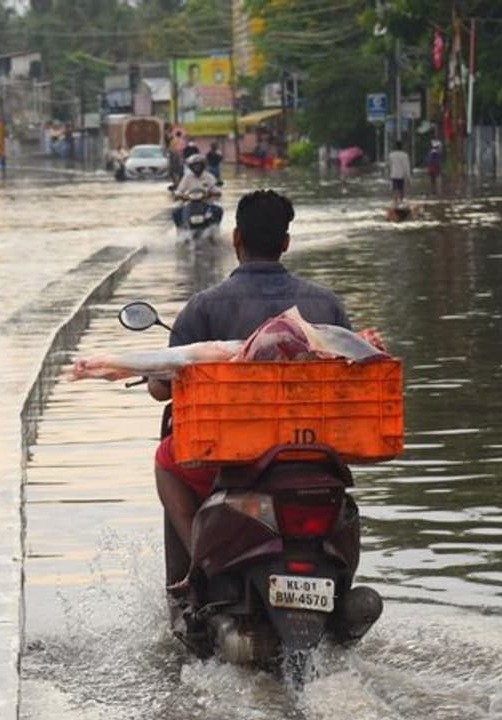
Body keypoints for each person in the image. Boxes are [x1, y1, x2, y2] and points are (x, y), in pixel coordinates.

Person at [149, 189, 352, 584]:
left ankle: (201, 564)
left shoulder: (204, 307)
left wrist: (159, 377)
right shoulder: (326, 306)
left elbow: (162, 390)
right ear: (286, 243)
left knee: (165, 462)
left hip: (227, 456)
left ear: (236, 238)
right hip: (311, 451)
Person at [170, 154, 222, 227]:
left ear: (203, 166)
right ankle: (181, 231)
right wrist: (178, 195)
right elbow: (180, 190)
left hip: (206, 203)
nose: (197, 168)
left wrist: (213, 193)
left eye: (198, 165)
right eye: (195, 166)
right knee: (176, 213)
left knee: (218, 210)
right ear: (191, 167)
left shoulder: (208, 176)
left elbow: (215, 188)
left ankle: (215, 229)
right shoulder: (187, 177)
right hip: (189, 203)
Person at [387, 140, 410, 206]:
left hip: (394, 174)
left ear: (395, 147)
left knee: (395, 189)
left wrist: (389, 174)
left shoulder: (391, 155)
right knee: (401, 189)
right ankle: (401, 202)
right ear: (402, 147)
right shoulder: (405, 155)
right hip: (401, 175)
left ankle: (395, 203)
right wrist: (408, 177)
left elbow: (389, 165)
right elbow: (406, 167)